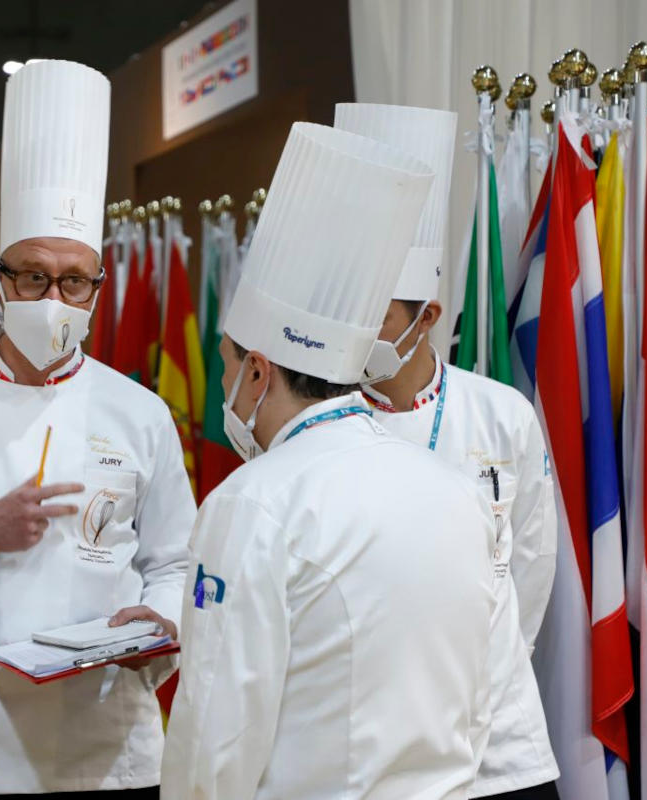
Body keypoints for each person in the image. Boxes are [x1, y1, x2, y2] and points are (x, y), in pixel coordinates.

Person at [0, 60, 194, 798]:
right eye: (32, 276)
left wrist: (158, 617)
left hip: (109, 746)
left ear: (97, 290)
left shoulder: (139, 410)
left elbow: (176, 558)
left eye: (73, 280)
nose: (53, 296)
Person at [161, 122, 497, 799]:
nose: (225, 386)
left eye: (225, 367)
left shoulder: (252, 501)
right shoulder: (456, 488)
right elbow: (482, 699)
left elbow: (216, 736)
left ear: (257, 372)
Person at [337, 102, 560, 800]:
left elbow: (531, 565)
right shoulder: (321, 422)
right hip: (372, 745)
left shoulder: (501, 414)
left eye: (376, 309)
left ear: (428, 317)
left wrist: (473, 666)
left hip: (498, 739)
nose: (354, 327)